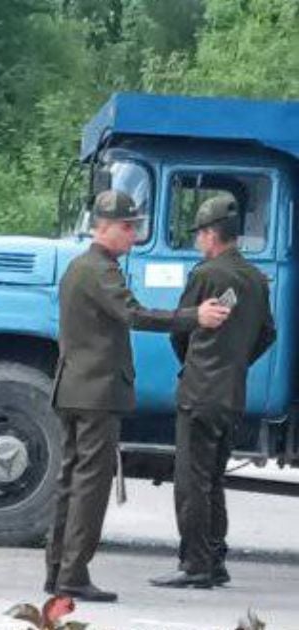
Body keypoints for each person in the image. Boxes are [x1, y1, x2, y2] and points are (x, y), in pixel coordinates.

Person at [46, 190, 230, 602]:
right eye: (127, 227)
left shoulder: (78, 267)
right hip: (98, 395)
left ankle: (57, 570)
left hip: (73, 388)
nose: (134, 235)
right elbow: (135, 314)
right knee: (89, 488)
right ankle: (73, 575)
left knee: (70, 482)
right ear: (104, 227)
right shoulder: (101, 270)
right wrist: (193, 317)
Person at [151, 195, 275, 589]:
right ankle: (216, 560)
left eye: (199, 235)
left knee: (191, 482)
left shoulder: (206, 275)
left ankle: (195, 565)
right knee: (214, 481)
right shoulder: (256, 279)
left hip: (200, 391)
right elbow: (267, 334)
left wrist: (196, 364)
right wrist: (236, 362)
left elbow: (180, 328)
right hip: (232, 393)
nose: (197, 243)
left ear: (210, 234)